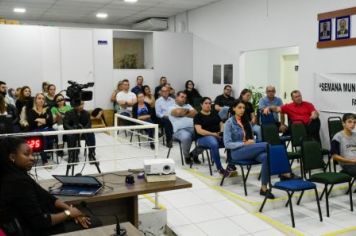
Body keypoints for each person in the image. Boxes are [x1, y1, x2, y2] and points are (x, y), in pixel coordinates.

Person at [0, 137, 101, 235]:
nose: (32, 158)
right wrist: (68, 213)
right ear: (12, 157)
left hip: (39, 223)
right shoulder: (18, 182)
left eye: (32, 154)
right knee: (95, 222)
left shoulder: (17, 175)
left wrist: (70, 210)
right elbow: (40, 222)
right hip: (36, 231)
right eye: (26, 154)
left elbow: (48, 198)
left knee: (88, 217)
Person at [224, 99, 295, 198]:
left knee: (265, 156)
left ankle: (264, 188)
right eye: (239, 107)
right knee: (267, 145)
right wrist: (243, 143)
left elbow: (252, 139)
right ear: (234, 109)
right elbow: (227, 144)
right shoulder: (229, 123)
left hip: (249, 150)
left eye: (243, 108)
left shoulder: (246, 122)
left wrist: (251, 142)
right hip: (236, 153)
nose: (242, 110)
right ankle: (285, 172)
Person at [194, 97, 231, 175]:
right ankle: (219, 168)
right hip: (202, 138)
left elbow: (221, 123)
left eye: (210, 103)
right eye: (206, 103)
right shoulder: (197, 116)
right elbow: (199, 131)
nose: (208, 105)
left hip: (216, 136)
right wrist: (213, 134)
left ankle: (231, 165)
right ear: (201, 105)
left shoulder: (214, 113)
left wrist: (221, 132)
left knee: (230, 140)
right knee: (213, 142)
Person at [21, 93, 54, 166]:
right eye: (39, 98)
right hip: (35, 131)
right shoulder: (31, 110)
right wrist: (44, 120)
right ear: (35, 100)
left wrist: (38, 120)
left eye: (43, 99)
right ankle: (45, 160)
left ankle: (46, 155)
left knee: (47, 133)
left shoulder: (47, 109)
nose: (41, 100)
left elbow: (50, 121)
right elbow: (31, 123)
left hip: (47, 129)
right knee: (42, 136)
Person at [169, 91, 201, 165]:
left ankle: (193, 154)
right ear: (176, 97)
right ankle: (187, 156)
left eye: (185, 97)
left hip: (192, 128)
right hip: (179, 131)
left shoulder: (188, 105)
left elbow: (195, 113)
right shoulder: (171, 107)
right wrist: (188, 112)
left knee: (205, 136)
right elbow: (177, 112)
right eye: (182, 97)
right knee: (186, 137)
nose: (184, 99)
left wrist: (182, 113)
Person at [63, 100, 97, 165]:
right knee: (71, 135)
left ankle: (91, 154)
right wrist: (75, 130)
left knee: (91, 133)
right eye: (80, 104)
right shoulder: (68, 113)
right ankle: (72, 156)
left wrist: (83, 130)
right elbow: (66, 125)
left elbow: (89, 124)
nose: (81, 106)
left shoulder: (86, 113)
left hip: (83, 132)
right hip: (73, 132)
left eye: (82, 104)